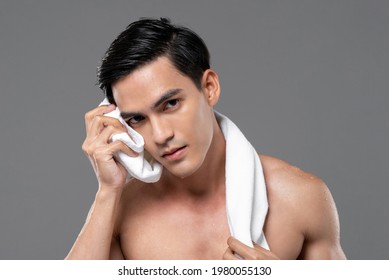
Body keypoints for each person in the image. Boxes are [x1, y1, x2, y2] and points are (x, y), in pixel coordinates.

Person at [65, 18, 346, 260]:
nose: (161, 136)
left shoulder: (298, 198)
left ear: (209, 88)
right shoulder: (121, 211)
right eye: (137, 119)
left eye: (171, 104)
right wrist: (107, 190)